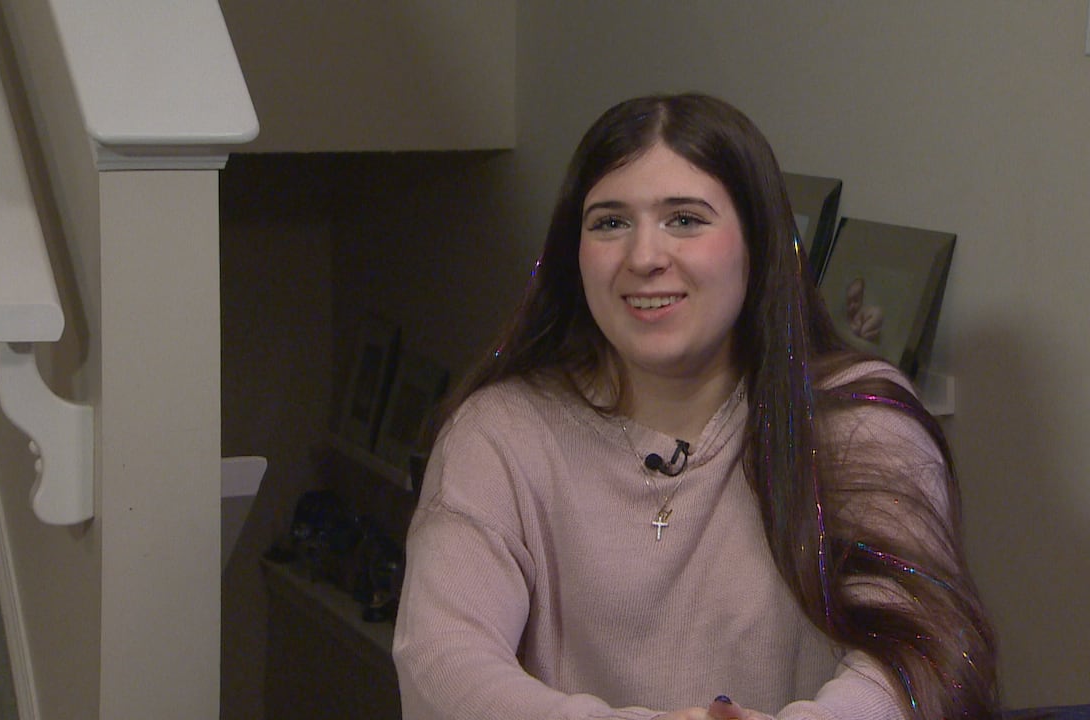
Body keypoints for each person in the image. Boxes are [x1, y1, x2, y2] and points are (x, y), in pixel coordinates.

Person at [392, 93, 998, 720]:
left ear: (757, 246)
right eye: (609, 222)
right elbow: (441, 661)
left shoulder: (861, 419)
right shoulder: (499, 431)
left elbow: (917, 648)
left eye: (684, 219)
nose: (645, 257)